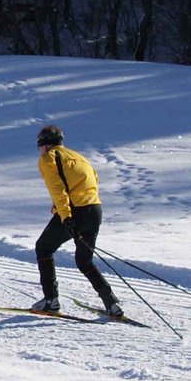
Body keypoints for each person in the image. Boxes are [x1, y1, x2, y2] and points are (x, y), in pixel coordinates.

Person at [32, 124, 124, 317]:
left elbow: (58, 190)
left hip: (74, 211)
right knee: (84, 260)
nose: (39, 150)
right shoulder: (79, 157)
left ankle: (51, 300)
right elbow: (94, 181)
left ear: (45, 144)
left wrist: (65, 216)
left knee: (43, 248)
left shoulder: (49, 158)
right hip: (95, 209)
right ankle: (111, 303)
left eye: (39, 145)